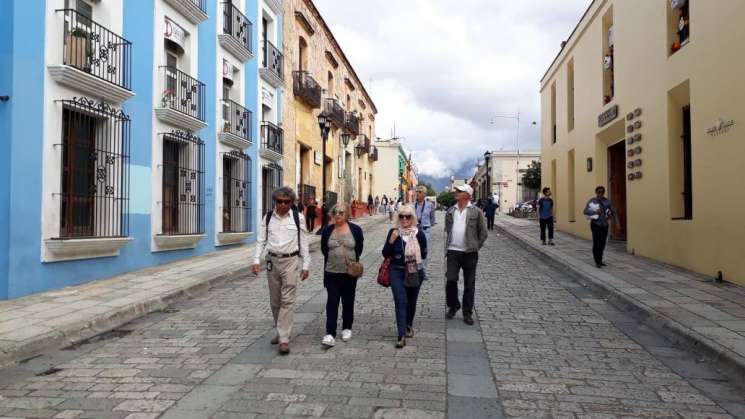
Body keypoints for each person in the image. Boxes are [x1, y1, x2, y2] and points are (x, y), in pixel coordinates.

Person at [252, 187, 310, 355]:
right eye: (279, 201)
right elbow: (260, 240)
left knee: (287, 300)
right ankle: (280, 330)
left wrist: (306, 264)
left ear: (292, 203)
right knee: (275, 300)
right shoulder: (268, 217)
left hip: (291, 260)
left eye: (287, 202)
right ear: (275, 201)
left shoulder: (298, 218)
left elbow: (304, 241)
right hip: (272, 261)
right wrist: (256, 260)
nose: (283, 204)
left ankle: (284, 338)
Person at [382, 204, 427, 348]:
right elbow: (385, 253)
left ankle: (408, 325)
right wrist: (391, 240)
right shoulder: (393, 232)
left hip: (414, 270)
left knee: (411, 301)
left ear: (413, 218)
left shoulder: (418, 233)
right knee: (400, 301)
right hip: (396, 270)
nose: (404, 219)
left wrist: (413, 253)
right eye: (401, 216)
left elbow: (424, 253)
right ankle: (401, 334)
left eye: (408, 216)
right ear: (398, 218)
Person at [319, 203, 364, 348]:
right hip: (331, 272)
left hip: (349, 273)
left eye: (341, 212)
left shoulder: (355, 230)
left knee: (348, 301)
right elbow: (324, 249)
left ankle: (346, 327)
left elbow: (359, 249)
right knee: (332, 301)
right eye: (335, 212)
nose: (337, 215)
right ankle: (330, 333)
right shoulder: (327, 230)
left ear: (347, 215)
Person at [444, 184, 488, 326]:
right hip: (452, 251)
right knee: (450, 280)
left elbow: (483, 233)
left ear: (467, 195)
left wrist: (475, 246)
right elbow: (448, 229)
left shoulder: (476, 212)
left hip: (470, 253)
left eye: (460, 191)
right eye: (456, 191)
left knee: (470, 283)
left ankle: (467, 312)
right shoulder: (451, 211)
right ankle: (453, 305)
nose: (456, 193)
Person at [583, 186, 618, 268]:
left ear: (604, 192)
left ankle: (600, 259)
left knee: (602, 243)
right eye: (599, 192)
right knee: (596, 242)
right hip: (595, 224)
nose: (600, 193)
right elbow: (585, 211)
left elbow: (613, 211)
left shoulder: (607, 201)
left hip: (604, 224)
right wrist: (595, 211)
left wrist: (613, 218)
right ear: (596, 192)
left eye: (602, 192)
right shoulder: (592, 201)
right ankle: (597, 260)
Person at [414, 186, 436, 276]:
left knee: (424, 250)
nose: (417, 193)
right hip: (414, 231)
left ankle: (423, 271)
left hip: (425, 230)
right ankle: (414, 270)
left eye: (419, 192)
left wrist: (427, 225)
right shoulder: (412, 205)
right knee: (413, 250)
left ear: (424, 194)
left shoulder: (430, 205)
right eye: (417, 191)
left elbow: (432, 219)